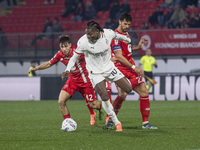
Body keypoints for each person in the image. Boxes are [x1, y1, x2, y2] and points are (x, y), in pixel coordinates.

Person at [62, 21, 143, 132]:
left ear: (97, 31)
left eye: (90, 34)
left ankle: (114, 118)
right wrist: (67, 69)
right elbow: (74, 58)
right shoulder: (83, 41)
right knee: (104, 96)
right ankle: (116, 123)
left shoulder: (107, 33)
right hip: (95, 72)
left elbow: (117, 36)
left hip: (109, 68)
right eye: (87, 34)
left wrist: (127, 40)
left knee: (128, 89)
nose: (88, 36)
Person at [28, 35, 102, 126]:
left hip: (86, 81)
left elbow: (93, 55)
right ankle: (68, 123)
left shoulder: (79, 51)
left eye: (66, 46)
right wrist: (36, 68)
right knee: (61, 101)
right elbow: (48, 64)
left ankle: (98, 109)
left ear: (70, 45)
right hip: (72, 81)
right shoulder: (59, 54)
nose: (64, 49)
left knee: (93, 105)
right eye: (62, 47)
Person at [107, 13, 158, 129]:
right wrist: (135, 67)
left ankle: (145, 123)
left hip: (131, 68)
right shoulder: (115, 37)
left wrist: (138, 47)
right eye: (125, 24)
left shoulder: (126, 34)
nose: (127, 26)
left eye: (129, 24)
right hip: (120, 69)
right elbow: (119, 56)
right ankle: (110, 120)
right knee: (122, 94)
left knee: (144, 92)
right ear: (119, 22)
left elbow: (127, 50)